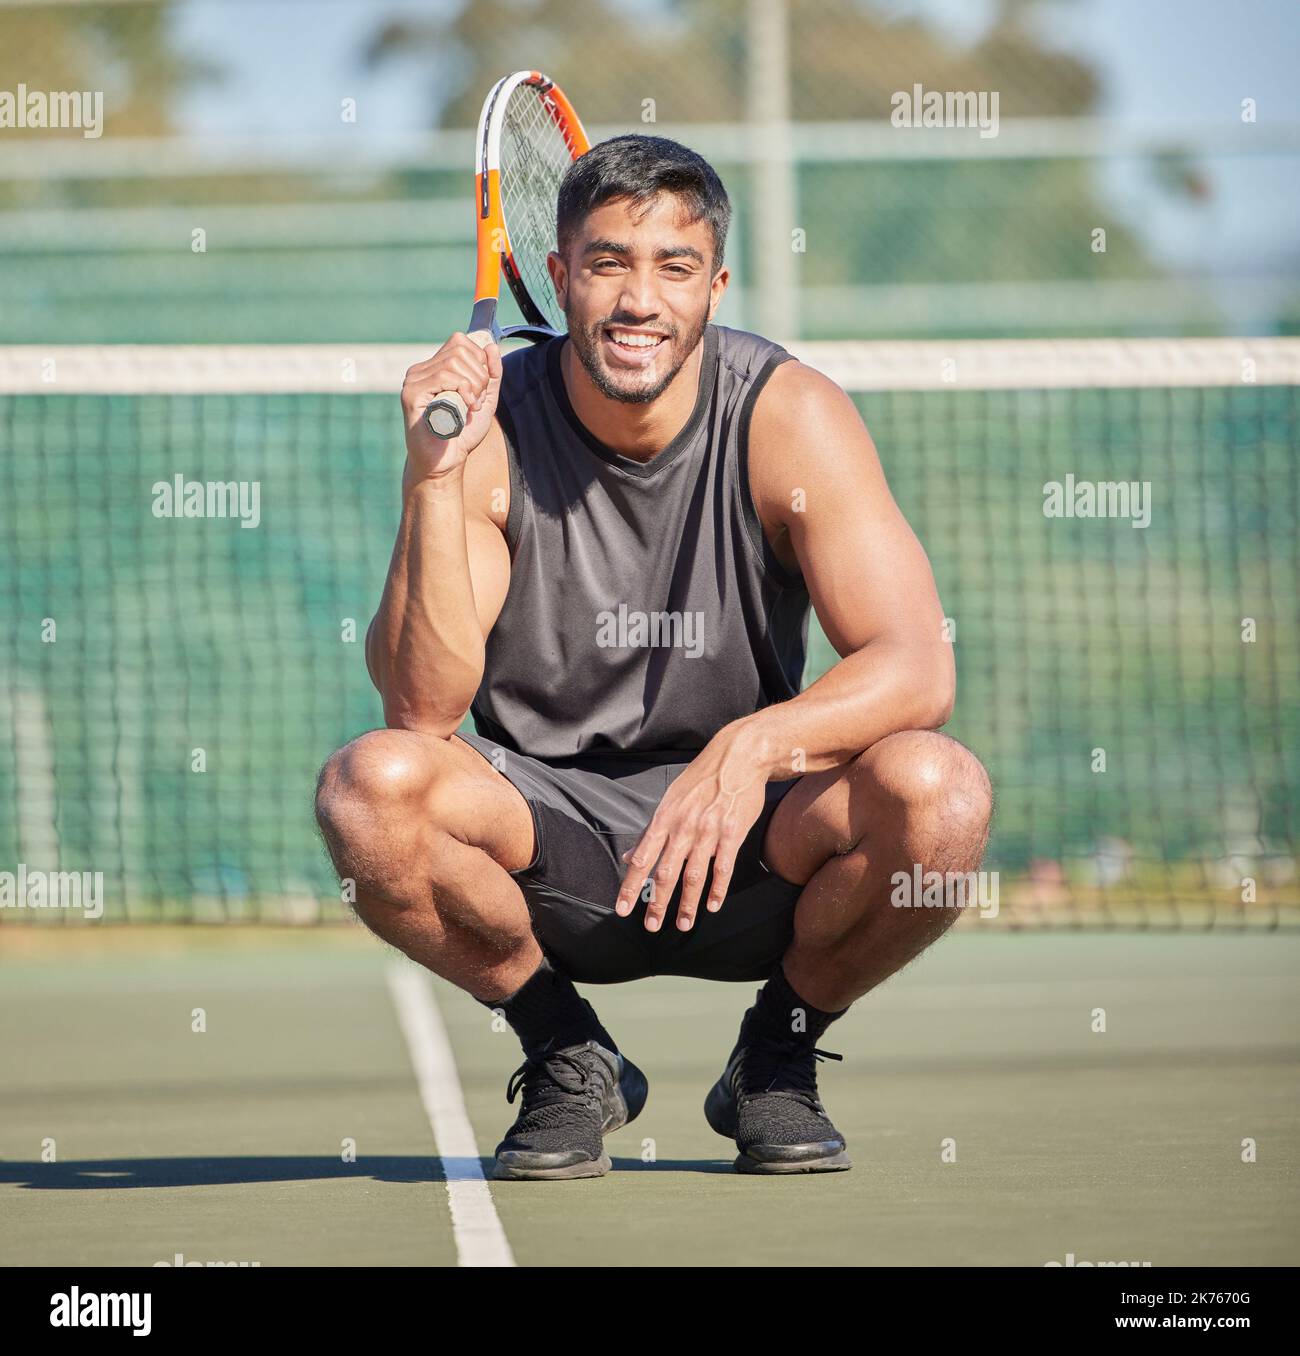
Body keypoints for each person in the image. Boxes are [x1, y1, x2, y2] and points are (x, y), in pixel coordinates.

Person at [315, 134, 992, 1180]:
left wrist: (751, 750)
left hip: (755, 845)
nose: (639, 299)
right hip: (554, 846)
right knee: (371, 788)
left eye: (672, 267)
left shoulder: (788, 415)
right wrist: (432, 479)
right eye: (607, 263)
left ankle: (779, 1055)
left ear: (715, 286)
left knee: (937, 794)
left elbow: (916, 669)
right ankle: (565, 1055)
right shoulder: (491, 432)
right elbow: (421, 703)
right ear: (557, 278)